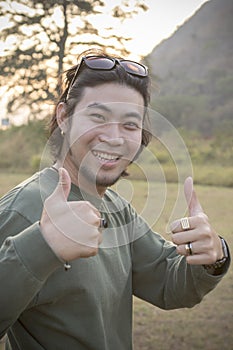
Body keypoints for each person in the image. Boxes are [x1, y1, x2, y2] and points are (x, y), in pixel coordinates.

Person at [0, 49, 230, 350]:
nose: (114, 137)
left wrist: (213, 255)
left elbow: (168, 283)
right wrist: (43, 245)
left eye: (130, 124)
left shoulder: (117, 208)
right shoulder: (23, 208)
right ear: (64, 117)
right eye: (98, 116)